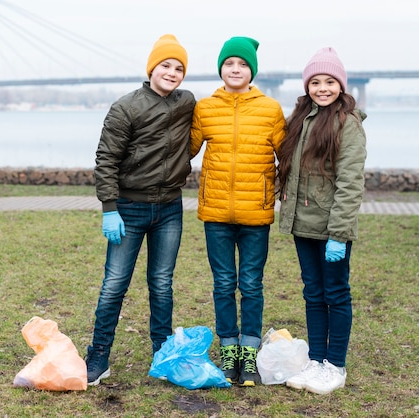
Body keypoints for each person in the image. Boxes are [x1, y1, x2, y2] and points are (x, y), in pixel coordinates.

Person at [85, 34, 196, 386]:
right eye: (166, 65)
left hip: (170, 209)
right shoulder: (126, 107)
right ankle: (98, 357)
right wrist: (109, 208)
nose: (172, 72)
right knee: (114, 285)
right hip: (129, 209)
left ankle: (163, 356)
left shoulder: (187, 103)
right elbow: (106, 159)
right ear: (152, 68)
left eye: (179, 68)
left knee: (162, 284)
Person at [190, 36, 285, 387]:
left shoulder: (270, 109)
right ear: (221, 69)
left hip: (255, 215)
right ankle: (228, 349)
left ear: (252, 71)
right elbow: (182, 148)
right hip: (215, 213)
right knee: (223, 284)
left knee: (251, 284)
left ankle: (249, 352)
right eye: (229, 63)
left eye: (242, 64)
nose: (235, 69)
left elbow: (287, 156)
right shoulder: (205, 107)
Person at [276, 47, 367, 395]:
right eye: (316, 82)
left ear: (341, 86)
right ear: (307, 86)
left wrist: (339, 235)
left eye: (330, 81)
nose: (323, 88)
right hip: (303, 225)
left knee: (336, 294)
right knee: (313, 293)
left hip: (332, 229)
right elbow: (291, 169)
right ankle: (316, 360)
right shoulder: (301, 118)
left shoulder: (349, 125)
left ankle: (335, 366)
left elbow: (349, 183)